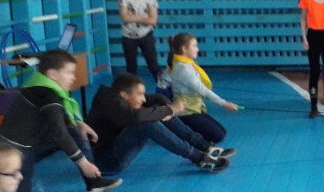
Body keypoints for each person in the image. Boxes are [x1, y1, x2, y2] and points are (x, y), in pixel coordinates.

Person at [0, 50, 121, 192]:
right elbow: (58, 131)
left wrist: (79, 123)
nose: (73, 77)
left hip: (31, 140)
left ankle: (93, 182)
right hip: (16, 148)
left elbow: (59, 118)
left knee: (74, 131)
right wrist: (83, 163)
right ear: (53, 75)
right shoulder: (48, 94)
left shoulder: (40, 83)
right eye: (69, 72)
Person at [86, 73, 232, 174]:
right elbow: (136, 116)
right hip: (106, 162)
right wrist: (170, 110)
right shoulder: (110, 102)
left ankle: (204, 147)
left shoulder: (117, 96)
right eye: (139, 94)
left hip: (114, 150)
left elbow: (154, 98)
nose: (143, 98)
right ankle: (198, 158)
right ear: (124, 95)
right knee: (146, 123)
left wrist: (167, 106)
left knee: (158, 109)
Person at [165, 33, 240, 141]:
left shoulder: (185, 63)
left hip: (195, 108)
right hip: (187, 112)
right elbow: (203, 90)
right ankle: (179, 128)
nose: (197, 49)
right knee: (218, 135)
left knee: (221, 132)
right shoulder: (183, 69)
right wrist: (225, 103)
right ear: (184, 48)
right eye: (194, 46)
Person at [118, 0, 162, 81]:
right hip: (128, 36)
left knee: (153, 65)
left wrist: (132, 17)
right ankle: (130, 90)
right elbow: (125, 17)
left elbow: (153, 20)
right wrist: (144, 16)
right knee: (131, 67)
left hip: (146, 34)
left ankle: (163, 87)